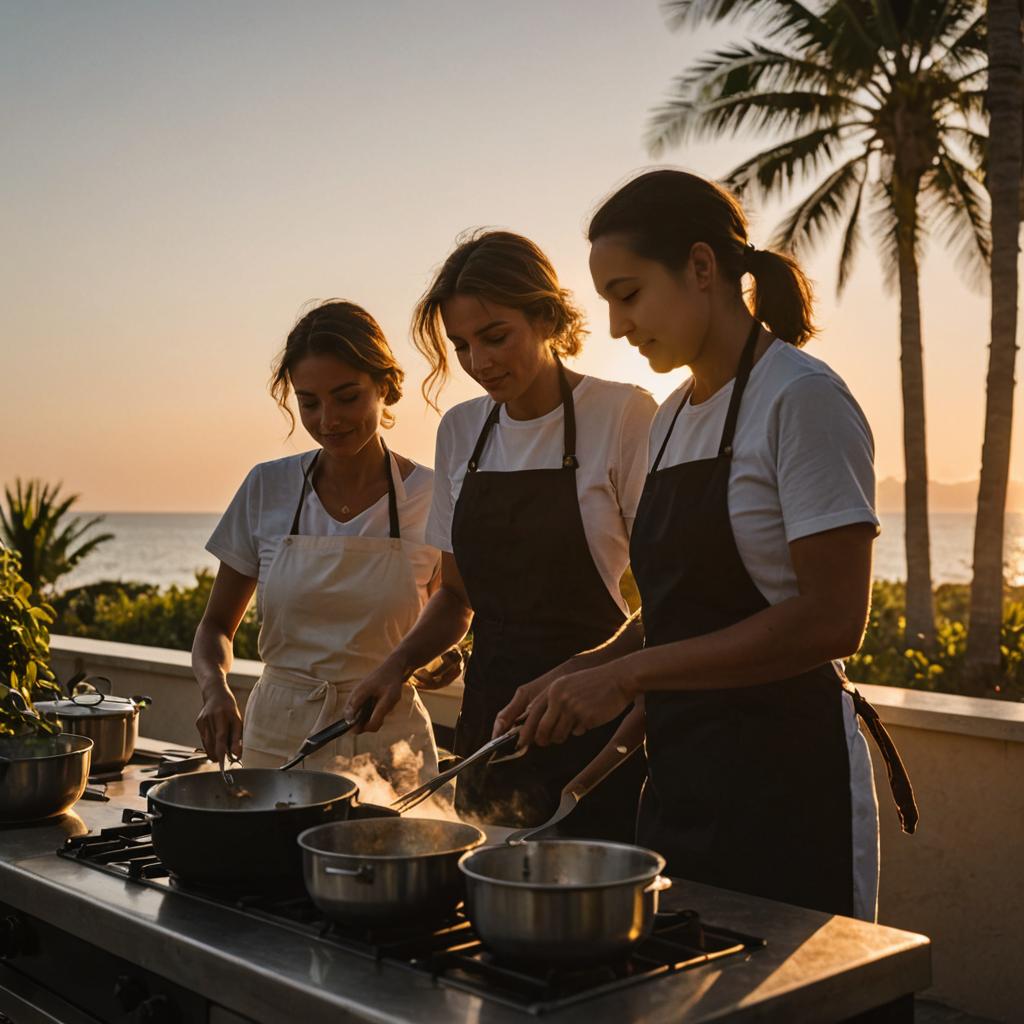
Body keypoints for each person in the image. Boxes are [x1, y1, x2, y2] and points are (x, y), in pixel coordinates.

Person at [496, 170, 917, 921]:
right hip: (686, 779)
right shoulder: (671, 419)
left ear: (699, 267)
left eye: (628, 294)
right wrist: (588, 665)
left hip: (789, 785)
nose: (618, 326)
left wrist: (629, 680)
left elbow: (830, 620)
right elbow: (676, 607)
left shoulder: (802, 398)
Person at [343, 231, 655, 836]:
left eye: (495, 336)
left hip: (592, 719)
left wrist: (600, 675)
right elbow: (457, 598)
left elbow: (672, 593)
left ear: (545, 316)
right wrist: (395, 666)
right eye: (461, 345)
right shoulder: (461, 430)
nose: (478, 362)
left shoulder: (623, 415)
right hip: (491, 721)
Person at [192, 300, 441, 784]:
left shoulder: (431, 495)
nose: (328, 419)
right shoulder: (268, 487)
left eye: (347, 397)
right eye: (309, 402)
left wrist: (418, 660)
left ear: (385, 386)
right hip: (277, 739)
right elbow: (215, 628)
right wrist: (215, 687)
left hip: (390, 741)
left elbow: (453, 607)